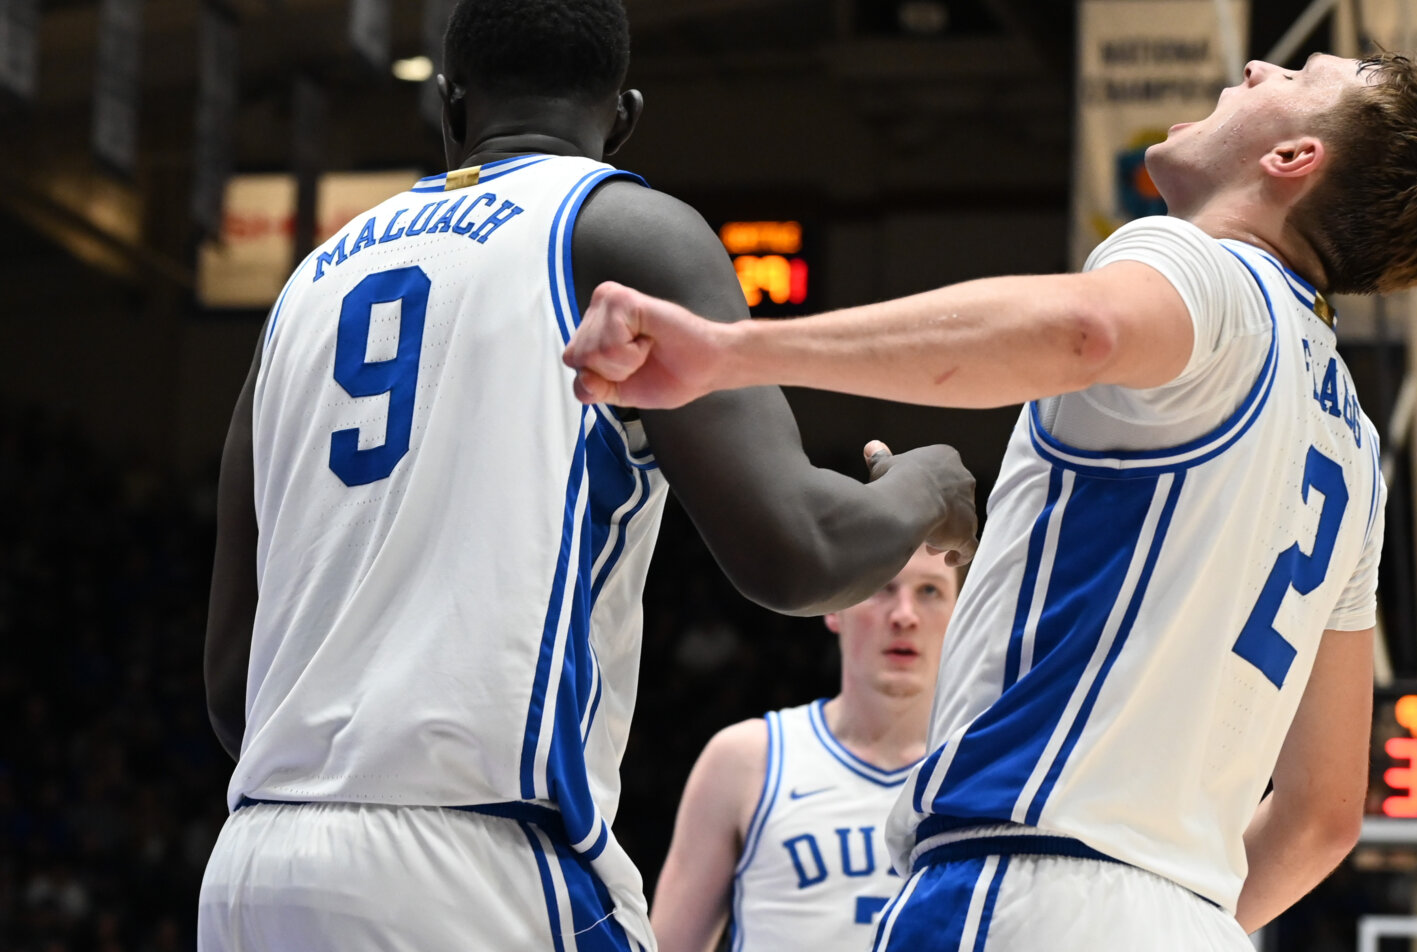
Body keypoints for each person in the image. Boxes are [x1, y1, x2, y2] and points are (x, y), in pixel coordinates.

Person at [563, 52, 1417, 949]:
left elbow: (1089, 331)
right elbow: (1322, 817)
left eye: (1298, 80)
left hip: (1025, 877)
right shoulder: (1351, 441)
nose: (1259, 69)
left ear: (1293, 159)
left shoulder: (1212, 272)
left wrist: (731, 353)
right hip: (1197, 921)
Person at [196, 0, 978, 948]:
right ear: (624, 118)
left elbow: (236, 688)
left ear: (450, 111)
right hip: (472, 863)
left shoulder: (303, 288)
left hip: (252, 872)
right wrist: (931, 483)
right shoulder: (626, 232)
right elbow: (801, 552)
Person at [651, 548, 961, 952]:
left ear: (961, 614)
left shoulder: (985, 773)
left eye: (930, 591)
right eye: (882, 588)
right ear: (834, 607)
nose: (905, 614)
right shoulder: (745, 760)